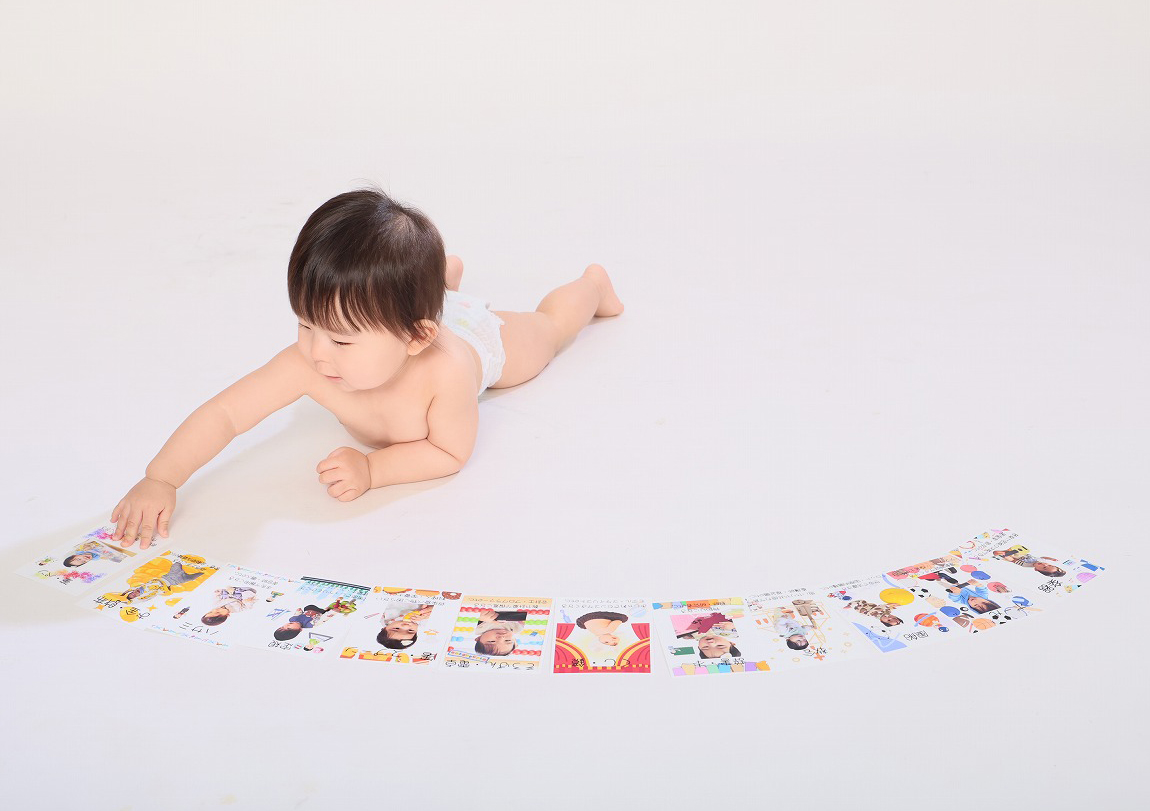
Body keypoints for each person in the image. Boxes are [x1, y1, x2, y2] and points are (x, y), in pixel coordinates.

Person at [110, 188, 624, 548]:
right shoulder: (310, 361)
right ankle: (442, 279)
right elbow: (225, 414)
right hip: (416, 315)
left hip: (477, 339)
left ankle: (591, 286)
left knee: (548, 333)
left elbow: (449, 452)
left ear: (416, 338)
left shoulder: (445, 374)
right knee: (407, 300)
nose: (317, 352)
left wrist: (373, 469)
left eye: (340, 339)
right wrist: (161, 478)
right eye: (305, 324)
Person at [993, 549, 1066, 577]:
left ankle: (1001, 553)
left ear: (1036, 569)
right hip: (1019, 552)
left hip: (1011, 556)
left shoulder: (1026, 565)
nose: (1045, 564)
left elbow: (1012, 560)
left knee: (996, 552)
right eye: (1049, 565)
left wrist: (1005, 555)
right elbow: (1043, 557)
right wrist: (1051, 559)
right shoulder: (1043, 561)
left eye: (1044, 567)